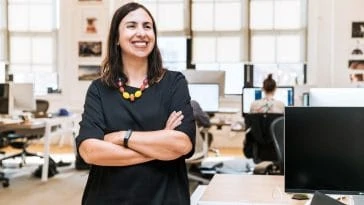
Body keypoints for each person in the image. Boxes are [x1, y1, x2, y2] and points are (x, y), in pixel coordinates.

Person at [75, 2, 196, 205]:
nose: (141, 33)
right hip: (107, 198)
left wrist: (123, 136)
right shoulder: (99, 89)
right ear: (116, 37)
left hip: (164, 198)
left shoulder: (174, 83)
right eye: (131, 26)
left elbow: (181, 144)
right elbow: (90, 151)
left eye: (147, 26)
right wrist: (161, 146)